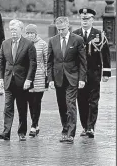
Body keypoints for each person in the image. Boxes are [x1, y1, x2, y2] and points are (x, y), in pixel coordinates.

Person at [47, 16, 87, 144]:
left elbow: (83, 61)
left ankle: (70, 133)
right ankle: (65, 129)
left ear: (68, 26)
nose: (60, 32)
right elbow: (49, 62)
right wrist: (50, 79)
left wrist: (82, 79)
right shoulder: (52, 41)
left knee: (70, 105)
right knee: (62, 105)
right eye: (58, 29)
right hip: (58, 78)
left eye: (63, 29)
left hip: (72, 77)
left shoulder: (78, 40)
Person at [73, 8, 111, 138]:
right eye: (83, 19)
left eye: (87, 19)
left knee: (93, 101)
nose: (85, 21)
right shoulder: (75, 34)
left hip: (94, 72)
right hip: (79, 75)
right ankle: (85, 126)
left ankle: (91, 127)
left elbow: (105, 55)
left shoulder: (99, 35)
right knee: (81, 101)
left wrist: (106, 72)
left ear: (92, 20)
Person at [0, 19, 37, 141]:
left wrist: (29, 80)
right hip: (9, 80)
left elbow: (32, 64)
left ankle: (22, 132)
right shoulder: (5, 43)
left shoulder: (28, 44)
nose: (12, 32)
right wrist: (0, 78)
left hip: (22, 81)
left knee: (22, 108)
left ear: (21, 30)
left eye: (15, 29)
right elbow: (1, 63)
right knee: (8, 107)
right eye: (11, 29)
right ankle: (6, 132)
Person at [24, 24, 48, 137]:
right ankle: (35, 123)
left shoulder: (43, 44)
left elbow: (47, 61)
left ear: (36, 33)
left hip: (39, 76)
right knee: (30, 102)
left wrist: (48, 77)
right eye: (27, 33)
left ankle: (34, 125)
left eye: (31, 33)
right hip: (27, 78)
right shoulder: (24, 44)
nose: (29, 35)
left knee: (36, 102)